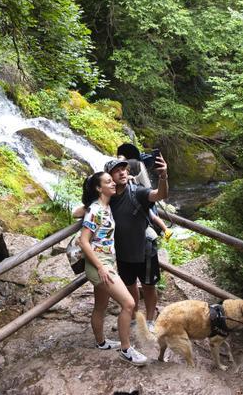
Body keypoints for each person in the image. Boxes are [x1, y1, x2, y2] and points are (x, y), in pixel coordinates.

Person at [78, 171, 148, 366]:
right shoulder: (95, 209)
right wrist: (100, 266)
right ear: (99, 188)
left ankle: (101, 343)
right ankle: (126, 350)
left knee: (100, 306)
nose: (113, 184)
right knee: (128, 303)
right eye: (108, 182)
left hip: (106, 261)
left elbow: (80, 212)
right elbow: (83, 241)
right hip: (99, 264)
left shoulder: (106, 206)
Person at [104, 154, 169, 332]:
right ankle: (133, 316)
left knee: (148, 286)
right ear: (109, 177)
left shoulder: (137, 192)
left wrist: (163, 176)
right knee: (130, 285)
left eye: (123, 169)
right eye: (116, 171)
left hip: (145, 250)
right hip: (123, 252)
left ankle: (149, 320)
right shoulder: (107, 198)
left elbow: (160, 194)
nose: (122, 173)